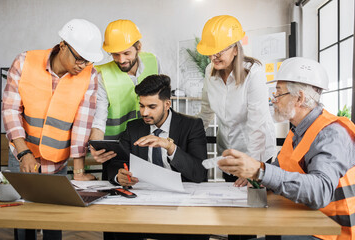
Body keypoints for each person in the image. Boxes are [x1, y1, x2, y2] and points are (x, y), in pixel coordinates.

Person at [218, 57, 355, 240]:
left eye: (278, 93)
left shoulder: (331, 134)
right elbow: (280, 170)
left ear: (300, 98)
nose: (273, 100)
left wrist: (261, 171)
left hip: (329, 232)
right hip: (305, 220)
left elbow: (321, 191)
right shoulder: (298, 130)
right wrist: (255, 176)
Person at [2, 18, 104, 240]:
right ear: (63, 45)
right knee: (23, 219)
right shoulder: (24, 62)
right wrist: (23, 153)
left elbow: (82, 124)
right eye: (80, 58)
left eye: (88, 60)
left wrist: (78, 171)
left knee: (54, 221)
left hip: (57, 162)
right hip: (22, 156)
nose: (83, 65)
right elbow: (10, 110)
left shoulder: (91, 75)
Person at [91, 74, 209, 240]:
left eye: (152, 107)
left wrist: (170, 146)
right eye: (141, 106)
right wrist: (119, 175)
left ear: (167, 104)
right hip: (141, 200)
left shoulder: (191, 126)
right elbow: (117, 162)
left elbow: (199, 173)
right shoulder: (134, 127)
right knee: (115, 226)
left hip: (180, 202)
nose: (144, 112)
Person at [196, 15, 276, 186]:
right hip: (229, 152)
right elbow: (206, 111)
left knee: (256, 204)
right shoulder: (209, 71)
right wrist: (186, 137)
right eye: (211, 50)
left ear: (235, 49)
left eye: (220, 50)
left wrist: (252, 167)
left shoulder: (254, 73)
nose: (214, 56)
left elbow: (257, 124)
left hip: (256, 152)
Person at [89, 19, 162, 180]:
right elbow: (99, 118)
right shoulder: (102, 76)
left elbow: (163, 101)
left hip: (149, 145)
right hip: (117, 151)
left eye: (126, 53)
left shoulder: (153, 62)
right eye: (115, 54)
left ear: (139, 47)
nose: (121, 60)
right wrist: (96, 146)